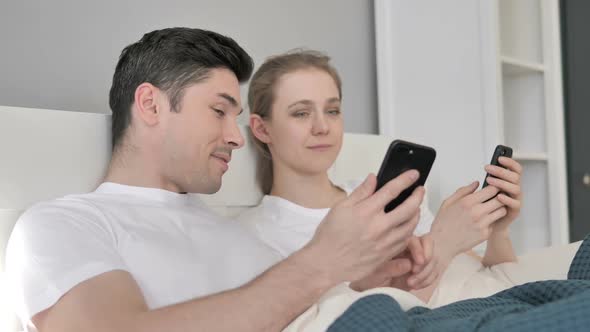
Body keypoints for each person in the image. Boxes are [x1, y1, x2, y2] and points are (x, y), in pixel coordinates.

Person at [6, 27, 432, 332]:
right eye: (219, 111)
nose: (235, 137)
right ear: (151, 105)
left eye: (238, 118)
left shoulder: (235, 232)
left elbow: (291, 308)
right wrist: (322, 261)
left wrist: (365, 281)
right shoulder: (63, 225)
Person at [239, 50, 524, 301]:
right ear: (262, 129)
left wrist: (498, 230)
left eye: (333, 110)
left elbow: (489, 276)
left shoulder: (385, 194)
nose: (322, 126)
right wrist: (442, 244)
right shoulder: (257, 236)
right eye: (301, 113)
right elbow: (364, 320)